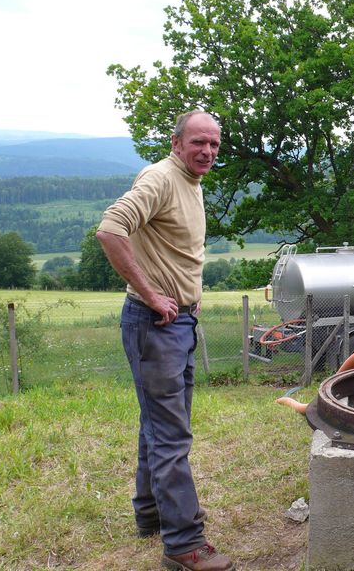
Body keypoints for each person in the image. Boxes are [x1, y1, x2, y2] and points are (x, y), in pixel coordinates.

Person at [96, 110, 233, 571]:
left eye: (214, 144)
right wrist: (153, 294)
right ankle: (184, 545)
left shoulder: (189, 181)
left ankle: (151, 515)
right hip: (156, 325)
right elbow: (111, 229)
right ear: (176, 143)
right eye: (198, 142)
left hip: (178, 325)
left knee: (156, 424)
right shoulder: (160, 178)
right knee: (171, 434)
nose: (207, 152)